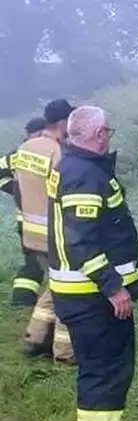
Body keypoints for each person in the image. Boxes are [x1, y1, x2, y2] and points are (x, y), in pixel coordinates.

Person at [49, 105, 138, 421]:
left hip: (88, 294)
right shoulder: (85, 175)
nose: (109, 136)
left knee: (112, 365)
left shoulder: (77, 168)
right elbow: (82, 241)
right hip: (92, 296)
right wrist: (113, 287)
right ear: (98, 134)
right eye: (108, 131)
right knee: (102, 369)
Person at [13, 99, 75, 363]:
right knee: (67, 289)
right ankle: (64, 352)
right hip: (55, 234)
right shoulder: (58, 153)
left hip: (30, 232)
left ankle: (35, 338)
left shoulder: (26, 148)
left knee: (52, 286)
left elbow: (17, 190)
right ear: (63, 122)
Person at [0, 117, 47, 307]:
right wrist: (15, 189)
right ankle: (23, 301)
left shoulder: (20, 154)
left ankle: (23, 300)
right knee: (37, 261)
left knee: (35, 261)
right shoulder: (21, 154)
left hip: (30, 219)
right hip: (36, 219)